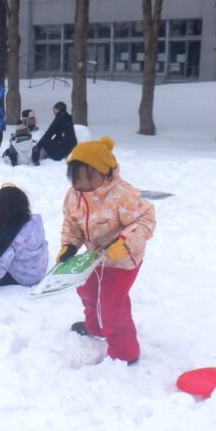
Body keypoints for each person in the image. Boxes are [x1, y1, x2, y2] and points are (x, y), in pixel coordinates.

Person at [56, 137, 156, 364]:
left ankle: (125, 352)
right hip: (94, 258)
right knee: (88, 292)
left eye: (88, 178)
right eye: (76, 178)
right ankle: (96, 327)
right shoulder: (74, 196)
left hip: (123, 260)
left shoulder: (123, 194)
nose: (82, 184)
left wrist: (125, 242)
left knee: (112, 305)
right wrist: (69, 245)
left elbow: (146, 220)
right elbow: (71, 224)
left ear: (106, 173)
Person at [33, 101, 77, 165]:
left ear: (58, 109)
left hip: (62, 153)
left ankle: (35, 160)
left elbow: (49, 133)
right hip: (72, 150)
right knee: (54, 140)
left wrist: (38, 145)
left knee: (43, 140)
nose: (53, 112)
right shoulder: (69, 119)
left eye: (54, 110)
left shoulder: (59, 119)